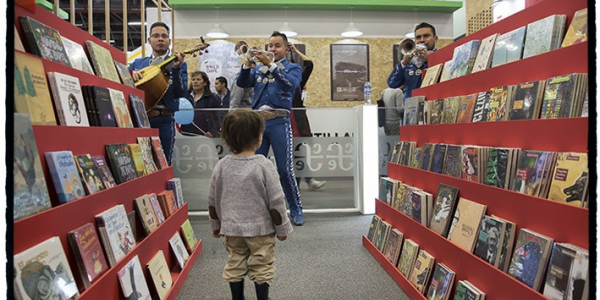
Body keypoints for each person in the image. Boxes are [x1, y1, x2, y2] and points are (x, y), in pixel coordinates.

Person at [208, 109, 293, 300]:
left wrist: (216, 225)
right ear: (258, 138)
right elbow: (276, 200)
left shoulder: (222, 165)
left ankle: (237, 298)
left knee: (235, 262)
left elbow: (212, 199)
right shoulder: (263, 164)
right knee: (262, 263)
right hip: (261, 229)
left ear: (227, 138)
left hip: (231, 229)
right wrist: (282, 229)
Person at [236, 31, 305, 226]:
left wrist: (270, 65)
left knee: (284, 170)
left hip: (279, 122)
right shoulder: (258, 69)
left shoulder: (293, 68)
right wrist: (247, 64)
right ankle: (257, 209)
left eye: (277, 46)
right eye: (270, 46)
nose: (272, 49)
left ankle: (296, 209)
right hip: (258, 123)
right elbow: (242, 82)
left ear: (285, 48)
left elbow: (290, 84)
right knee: (255, 169)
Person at [129, 21, 188, 165]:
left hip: (165, 121)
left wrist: (176, 69)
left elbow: (181, 93)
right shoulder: (138, 64)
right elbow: (121, 78)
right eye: (156, 36)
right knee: (141, 165)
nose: (160, 39)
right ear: (149, 40)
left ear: (169, 41)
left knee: (163, 164)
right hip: (141, 120)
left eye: (164, 36)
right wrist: (131, 74)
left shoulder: (179, 64)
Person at [288, 42, 326, 191]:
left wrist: (296, 51)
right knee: (293, 156)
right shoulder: (278, 79)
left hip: (296, 122)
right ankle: (306, 181)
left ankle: (299, 185)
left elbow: (309, 64)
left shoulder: (298, 82)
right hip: (282, 122)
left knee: (298, 153)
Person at [387, 22, 438, 98]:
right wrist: (404, 63)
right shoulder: (410, 63)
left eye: (426, 36)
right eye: (418, 37)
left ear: (435, 39)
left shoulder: (440, 58)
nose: (422, 40)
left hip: (431, 106)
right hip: (410, 108)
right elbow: (392, 83)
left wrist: (430, 60)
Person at [180, 71, 221, 137]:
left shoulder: (213, 99)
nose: (195, 82)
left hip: (205, 136)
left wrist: (213, 132)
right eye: (193, 79)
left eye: (198, 79)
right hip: (186, 135)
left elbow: (218, 118)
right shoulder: (186, 98)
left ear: (205, 83)